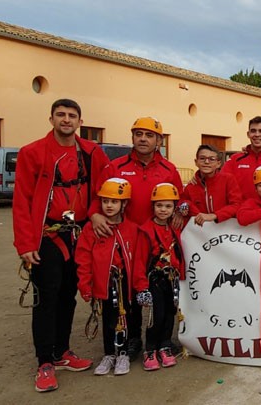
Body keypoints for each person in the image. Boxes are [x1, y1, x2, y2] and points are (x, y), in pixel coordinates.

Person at [13, 98, 108, 392]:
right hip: (47, 236)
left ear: (80, 121)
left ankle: (61, 352)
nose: (66, 120)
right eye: (60, 115)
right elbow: (22, 200)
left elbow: (103, 188)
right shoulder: (32, 153)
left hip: (79, 234)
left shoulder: (92, 152)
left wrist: (94, 212)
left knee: (69, 294)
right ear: (51, 119)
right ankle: (44, 361)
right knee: (46, 298)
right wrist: (25, 243)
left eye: (72, 116)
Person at [91, 116, 183, 360]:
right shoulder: (116, 167)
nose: (143, 139)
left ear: (159, 141)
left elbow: (179, 200)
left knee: (162, 290)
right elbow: (97, 197)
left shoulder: (169, 170)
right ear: (132, 137)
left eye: (149, 135)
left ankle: (162, 339)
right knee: (128, 291)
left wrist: (180, 215)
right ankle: (132, 339)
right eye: (139, 134)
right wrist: (94, 216)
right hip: (126, 238)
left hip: (157, 241)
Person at [76, 178, 144, 375]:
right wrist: (85, 285)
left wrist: (140, 285)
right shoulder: (92, 229)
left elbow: (138, 259)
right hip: (105, 283)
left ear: (124, 204)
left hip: (126, 283)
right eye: (105, 201)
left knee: (126, 317)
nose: (109, 205)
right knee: (108, 318)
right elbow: (83, 258)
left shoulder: (132, 229)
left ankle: (123, 354)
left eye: (114, 201)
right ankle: (109, 354)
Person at [134, 183, 185, 370]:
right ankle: (150, 348)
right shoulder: (146, 231)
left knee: (170, 314)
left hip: (171, 280)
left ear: (174, 209)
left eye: (168, 206)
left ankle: (165, 345)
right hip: (154, 280)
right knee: (156, 315)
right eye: (159, 205)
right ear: (153, 207)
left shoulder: (174, 228)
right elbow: (139, 261)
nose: (163, 210)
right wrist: (141, 288)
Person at [221, 116, 261, 200]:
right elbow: (220, 181)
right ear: (248, 134)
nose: (257, 134)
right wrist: (198, 178)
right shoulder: (235, 160)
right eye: (253, 131)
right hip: (241, 211)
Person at [178, 145, 242, 226]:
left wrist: (215, 215)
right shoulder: (190, 187)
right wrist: (186, 209)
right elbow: (184, 202)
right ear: (196, 162)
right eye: (202, 158)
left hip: (226, 229)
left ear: (218, 163)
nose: (207, 162)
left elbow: (236, 205)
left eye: (212, 159)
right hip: (202, 232)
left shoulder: (228, 180)